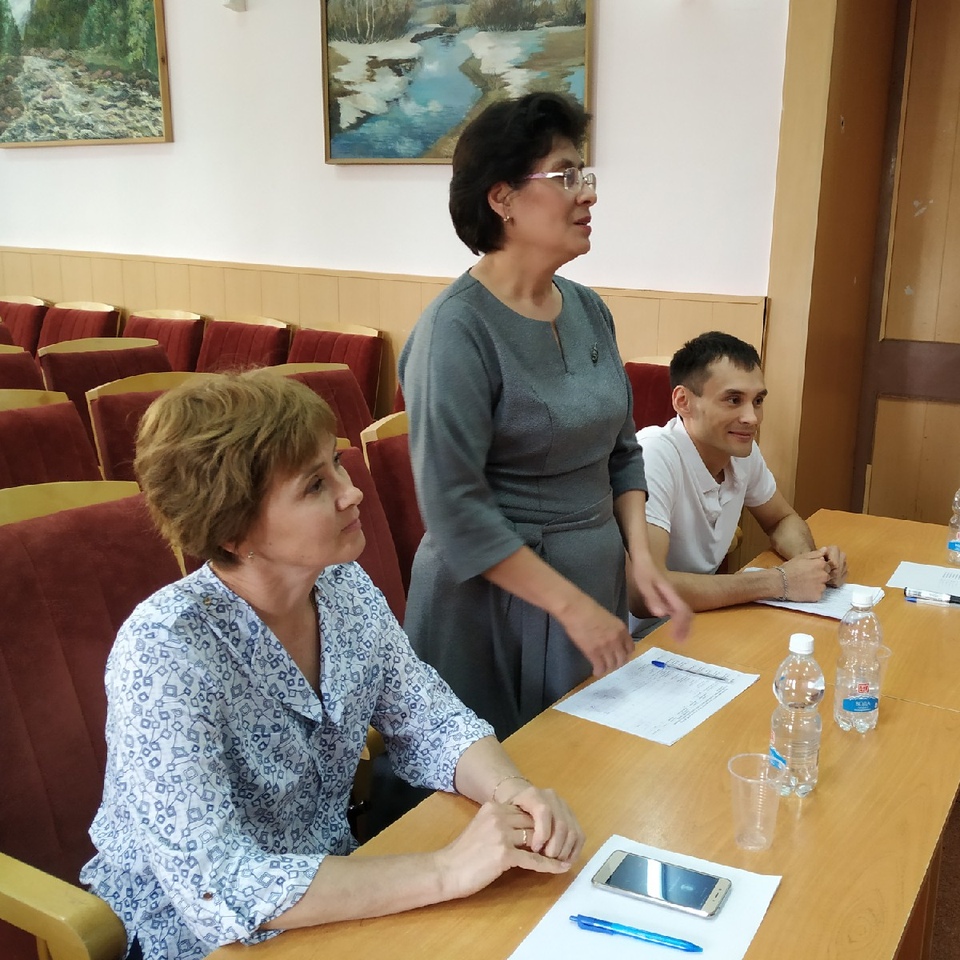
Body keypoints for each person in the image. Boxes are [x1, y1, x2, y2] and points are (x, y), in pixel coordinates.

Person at [81, 370, 584, 960]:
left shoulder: (342, 585)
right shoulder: (165, 650)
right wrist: (448, 869)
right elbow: (217, 885)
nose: (351, 492)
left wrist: (513, 794)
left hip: (331, 891)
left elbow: (429, 719)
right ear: (234, 529)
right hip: (200, 937)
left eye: (337, 464)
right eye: (315, 485)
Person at [398, 92, 690, 739]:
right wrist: (571, 608)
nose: (589, 194)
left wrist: (641, 559)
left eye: (586, 174)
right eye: (566, 176)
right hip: (491, 607)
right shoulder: (455, 331)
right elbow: (454, 509)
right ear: (501, 198)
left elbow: (622, 453)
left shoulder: (589, 309)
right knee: (504, 777)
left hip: (592, 582)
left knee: (589, 769)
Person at [629, 332, 848, 629]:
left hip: (697, 622)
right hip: (634, 639)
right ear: (683, 402)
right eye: (733, 400)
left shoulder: (741, 452)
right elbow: (646, 593)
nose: (752, 418)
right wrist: (779, 582)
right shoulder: (653, 455)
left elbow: (781, 519)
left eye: (757, 401)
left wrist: (812, 564)